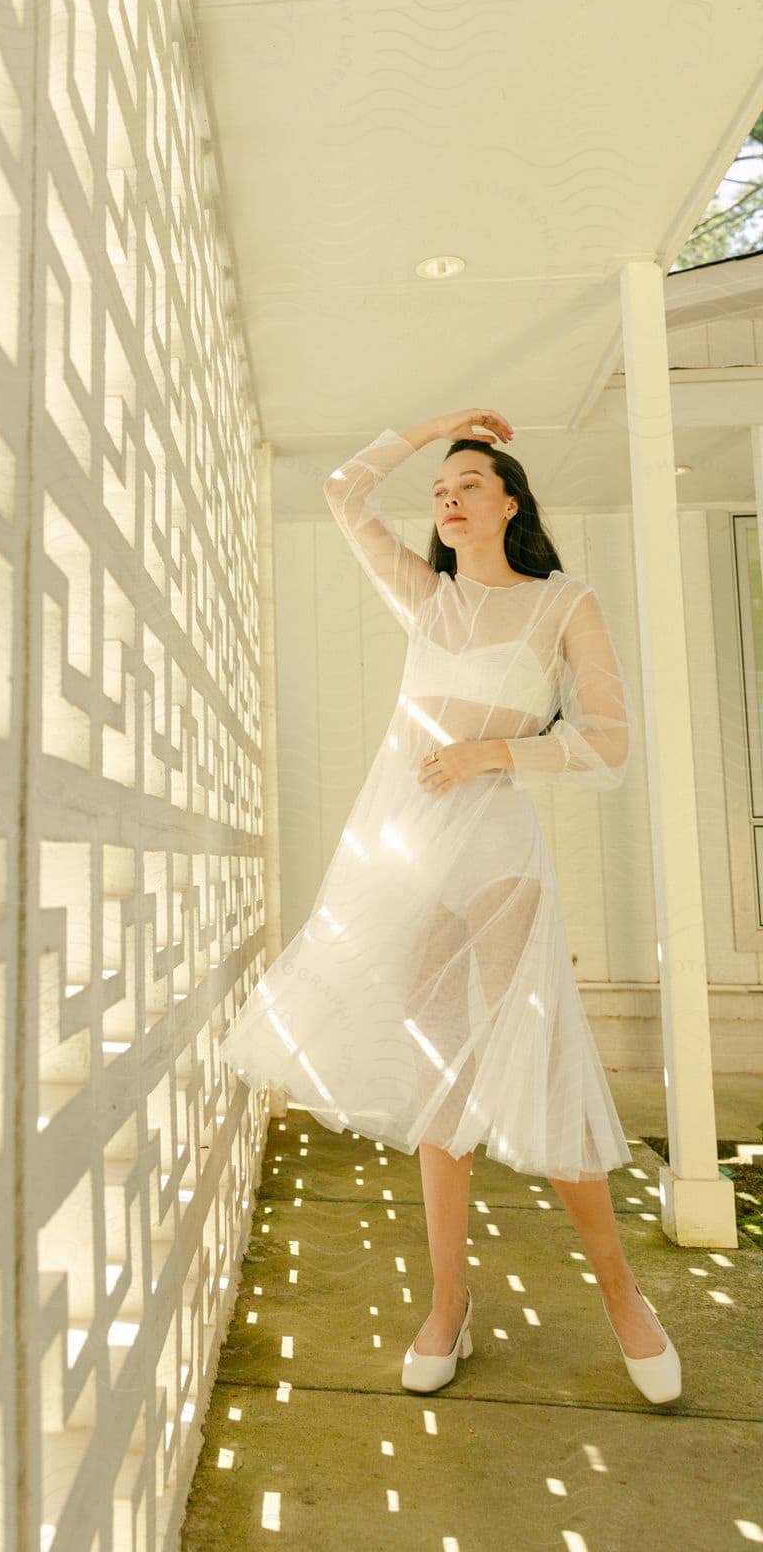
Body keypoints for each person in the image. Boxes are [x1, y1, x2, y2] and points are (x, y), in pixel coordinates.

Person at [219, 407, 681, 1403]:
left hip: (497, 851)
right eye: (440, 487)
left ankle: (623, 1298)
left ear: (510, 502)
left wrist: (493, 751)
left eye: (469, 480)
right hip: (405, 853)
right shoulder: (426, 600)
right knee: (443, 1078)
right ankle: (448, 1304)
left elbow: (609, 741)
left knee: (536, 1054)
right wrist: (430, 428)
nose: (448, 495)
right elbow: (345, 491)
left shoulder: (564, 603)